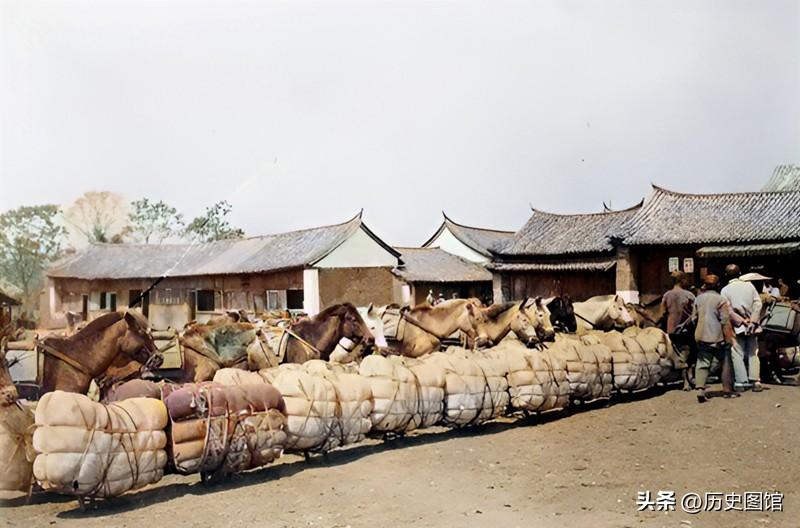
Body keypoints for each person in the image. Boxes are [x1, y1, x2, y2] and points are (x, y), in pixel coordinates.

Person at [692, 274, 737, 402]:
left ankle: (700, 389)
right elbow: (724, 321)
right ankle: (727, 390)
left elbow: (694, 318)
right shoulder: (721, 300)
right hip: (717, 336)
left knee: (702, 362)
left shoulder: (698, 299)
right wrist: (729, 338)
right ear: (718, 285)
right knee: (725, 362)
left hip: (701, 335)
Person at [721, 264, 764, 392]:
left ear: (726, 275)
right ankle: (755, 381)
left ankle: (741, 381)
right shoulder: (749, 286)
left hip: (737, 326)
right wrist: (752, 320)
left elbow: (728, 310)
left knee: (737, 353)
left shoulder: (725, 290)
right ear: (740, 274)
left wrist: (741, 321)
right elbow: (758, 303)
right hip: (752, 325)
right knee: (753, 352)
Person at [661, 271, 696, 390]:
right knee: (687, 353)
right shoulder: (689, 295)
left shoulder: (666, 295)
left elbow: (663, 313)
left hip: (672, 330)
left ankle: (687, 379)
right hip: (687, 329)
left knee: (679, 353)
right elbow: (695, 313)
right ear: (683, 280)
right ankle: (688, 380)